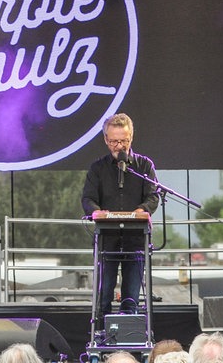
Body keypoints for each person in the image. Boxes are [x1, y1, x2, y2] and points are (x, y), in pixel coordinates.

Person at [81, 113, 160, 318]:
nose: (119, 146)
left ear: (131, 138)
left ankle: (129, 341)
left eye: (123, 141)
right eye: (114, 141)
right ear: (106, 141)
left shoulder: (144, 166)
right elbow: (87, 199)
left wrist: (141, 211)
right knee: (104, 295)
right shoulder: (97, 168)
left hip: (136, 239)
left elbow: (153, 196)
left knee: (131, 298)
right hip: (107, 240)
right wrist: (96, 212)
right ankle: (102, 339)